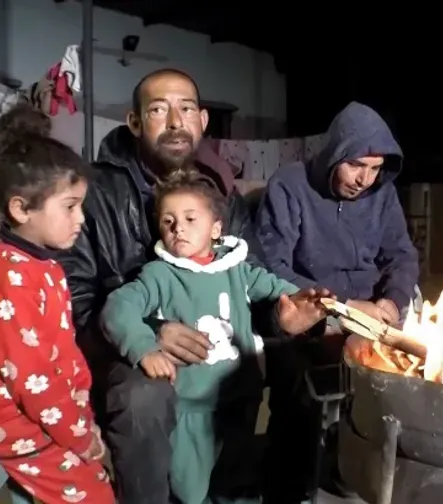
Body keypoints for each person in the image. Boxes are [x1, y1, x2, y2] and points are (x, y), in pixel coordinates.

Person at [58, 68, 317, 503]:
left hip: (212, 341)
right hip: (127, 347)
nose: (176, 121)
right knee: (144, 397)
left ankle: (276, 490)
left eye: (187, 109)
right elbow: (74, 302)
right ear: (136, 122)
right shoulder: (95, 194)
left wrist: (281, 316)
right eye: (159, 109)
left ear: (203, 122)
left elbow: (247, 274)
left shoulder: (217, 195)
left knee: (299, 363)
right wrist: (152, 333)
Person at [100, 170, 331, 503]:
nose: (178, 227)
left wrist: (302, 302)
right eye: (168, 221)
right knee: (190, 491)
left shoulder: (237, 268)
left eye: (190, 218)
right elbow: (118, 307)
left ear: (216, 228)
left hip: (240, 400)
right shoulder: (159, 275)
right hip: (190, 409)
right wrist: (143, 346)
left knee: (235, 484)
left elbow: (276, 290)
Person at [255, 101, 420, 502]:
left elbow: (401, 255)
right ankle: (293, 486)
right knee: (298, 389)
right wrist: (344, 306)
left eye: (376, 168)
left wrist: (393, 302)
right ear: (334, 153)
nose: (365, 179)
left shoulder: (382, 194)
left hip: (375, 314)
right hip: (312, 308)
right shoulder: (289, 185)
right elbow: (270, 266)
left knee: (410, 372)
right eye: (356, 165)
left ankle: (361, 466)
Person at [0, 104, 115, 504]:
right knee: (96, 495)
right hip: (14, 427)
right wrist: (80, 437)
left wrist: (83, 419)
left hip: (55, 418)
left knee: (100, 473)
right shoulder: (7, 282)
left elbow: (61, 355)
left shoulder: (44, 266)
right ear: (20, 208)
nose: (81, 219)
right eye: (69, 206)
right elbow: (34, 383)